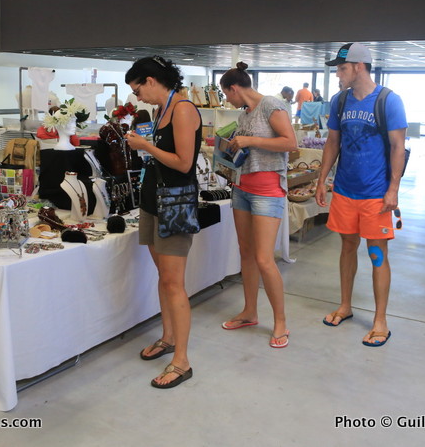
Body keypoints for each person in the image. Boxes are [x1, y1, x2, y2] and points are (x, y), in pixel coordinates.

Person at [315, 42, 407, 347]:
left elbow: (397, 147)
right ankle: (345, 305)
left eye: (342, 69)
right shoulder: (339, 101)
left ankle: (380, 320)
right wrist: (321, 179)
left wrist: (393, 189)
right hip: (344, 191)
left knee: (377, 254)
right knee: (346, 248)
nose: (338, 75)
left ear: (359, 67)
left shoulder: (388, 101)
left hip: (375, 195)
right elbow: (332, 142)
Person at [124, 56, 201, 389]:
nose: (137, 96)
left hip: (175, 204)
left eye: (137, 88)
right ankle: (168, 337)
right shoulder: (160, 111)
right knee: (164, 277)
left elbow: (184, 164)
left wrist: (145, 146)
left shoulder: (183, 109)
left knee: (174, 283)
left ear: (152, 80)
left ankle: (182, 362)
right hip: (153, 200)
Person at [218, 62, 298, 348]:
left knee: (264, 259)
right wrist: (230, 147)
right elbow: (248, 148)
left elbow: (290, 142)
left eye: (226, 94)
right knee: (247, 254)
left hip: (267, 191)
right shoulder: (245, 114)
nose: (227, 99)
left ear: (235, 88)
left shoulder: (271, 105)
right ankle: (249, 311)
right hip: (242, 188)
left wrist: (249, 139)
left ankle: (280, 322)